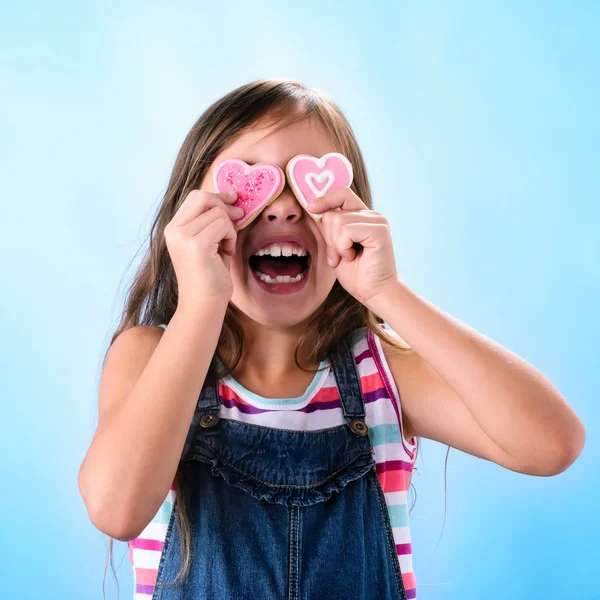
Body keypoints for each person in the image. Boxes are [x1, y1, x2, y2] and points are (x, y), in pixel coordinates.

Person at [78, 78, 586, 600]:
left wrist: (386, 292)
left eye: (308, 185)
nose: (283, 207)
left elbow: (551, 444)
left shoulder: (383, 373)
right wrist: (201, 303)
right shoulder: (149, 356)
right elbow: (117, 510)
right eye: (251, 181)